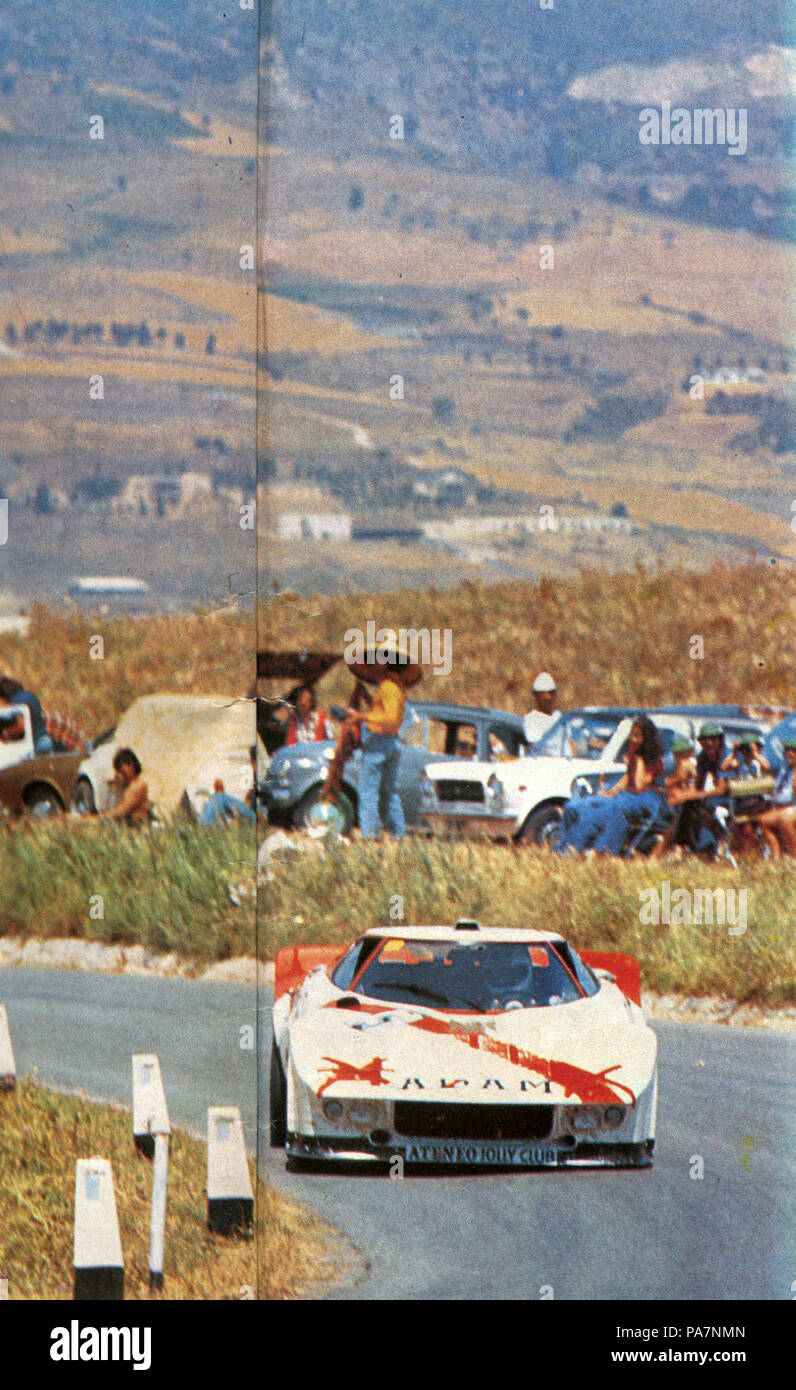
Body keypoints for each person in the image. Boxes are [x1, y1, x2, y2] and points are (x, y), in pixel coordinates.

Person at [557, 716, 664, 856]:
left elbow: (639, 785)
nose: (632, 739)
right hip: (624, 795)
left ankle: (578, 848)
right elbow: (628, 776)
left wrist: (638, 757)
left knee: (599, 813)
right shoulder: (633, 754)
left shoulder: (654, 761)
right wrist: (612, 790)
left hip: (641, 798)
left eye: (636, 735)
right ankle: (564, 845)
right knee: (576, 806)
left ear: (646, 738)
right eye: (631, 735)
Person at [347, 649, 413, 840]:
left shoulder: (388, 688)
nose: (373, 662)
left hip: (379, 743)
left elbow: (389, 718)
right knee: (388, 792)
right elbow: (382, 712)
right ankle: (397, 834)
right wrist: (367, 699)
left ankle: (370, 834)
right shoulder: (395, 687)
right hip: (391, 742)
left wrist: (360, 716)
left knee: (369, 792)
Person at [651, 735, 697, 858]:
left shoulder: (684, 763)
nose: (675, 757)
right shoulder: (691, 763)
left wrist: (664, 783)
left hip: (682, 800)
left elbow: (679, 778)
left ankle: (662, 852)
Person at [750, 737, 796, 859]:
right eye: (787, 750)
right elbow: (777, 791)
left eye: (793, 751)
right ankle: (776, 858)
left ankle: (794, 858)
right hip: (785, 808)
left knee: (785, 818)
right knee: (764, 820)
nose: (789, 754)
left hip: (791, 808)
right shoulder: (785, 769)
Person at [0, 676, 54, 753]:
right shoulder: (28, 696)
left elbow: (21, 725)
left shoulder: (17, 703)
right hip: (45, 740)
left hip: (34, 746)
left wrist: (4, 735)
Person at [102, 748, 150, 826]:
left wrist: (101, 816)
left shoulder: (139, 785)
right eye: (120, 772)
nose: (122, 775)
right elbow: (115, 806)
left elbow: (124, 810)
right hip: (124, 821)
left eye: (123, 772)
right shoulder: (127, 786)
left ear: (131, 765)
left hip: (134, 824)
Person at [523, 672, 560, 745]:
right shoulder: (531, 719)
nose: (548, 697)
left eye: (550, 692)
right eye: (543, 693)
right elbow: (535, 746)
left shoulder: (559, 716)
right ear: (536, 695)